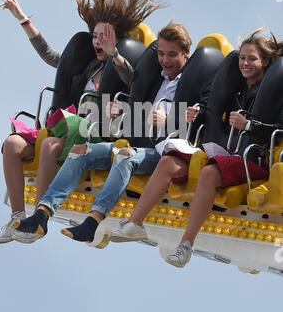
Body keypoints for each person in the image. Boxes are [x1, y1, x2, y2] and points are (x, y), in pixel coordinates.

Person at [0, 0, 163, 244]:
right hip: (68, 129)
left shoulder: (122, 67)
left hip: (95, 135)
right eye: (95, 37)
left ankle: (39, 219)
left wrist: (114, 54)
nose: (98, 42)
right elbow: (49, 55)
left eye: (104, 37)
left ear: (114, 40)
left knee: (49, 145)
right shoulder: (85, 66)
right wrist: (23, 18)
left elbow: (133, 79)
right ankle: (17, 218)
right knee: (12, 144)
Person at [110, 28, 283, 268]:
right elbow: (211, 111)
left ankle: (185, 246)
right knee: (169, 161)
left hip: (251, 160)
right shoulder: (238, 91)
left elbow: (278, 128)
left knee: (209, 172)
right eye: (242, 58)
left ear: (265, 61)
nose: (245, 63)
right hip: (219, 152)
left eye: (252, 59)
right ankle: (135, 224)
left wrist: (251, 126)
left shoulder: (274, 94)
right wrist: (197, 114)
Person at [11, 22, 196, 244]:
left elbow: (200, 115)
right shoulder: (157, 77)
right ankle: (42, 215)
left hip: (163, 150)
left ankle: (92, 222)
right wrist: (121, 108)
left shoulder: (194, 83)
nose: (165, 60)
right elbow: (134, 87)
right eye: (162, 54)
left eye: (172, 55)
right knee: (80, 151)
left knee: (123, 155)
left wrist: (170, 119)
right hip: (137, 139)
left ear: (186, 53)